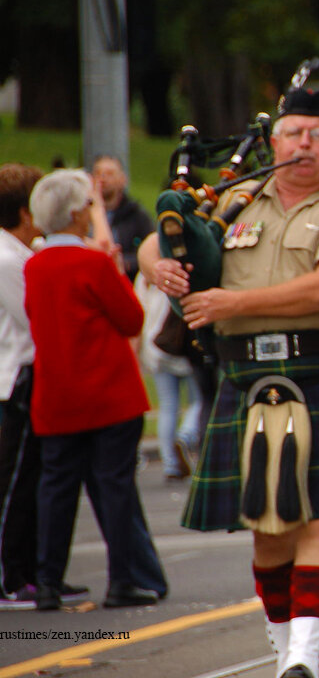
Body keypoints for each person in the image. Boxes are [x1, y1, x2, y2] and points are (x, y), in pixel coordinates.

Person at [143, 88, 319, 678]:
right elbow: (160, 234)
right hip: (246, 375)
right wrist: (153, 261)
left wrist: (235, 300)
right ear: (273, 141)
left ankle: (304, 656)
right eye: (292, 132)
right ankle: (285, 649)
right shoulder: (235, 200)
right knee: (267, 528)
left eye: (316, 135)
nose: (302, 144)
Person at [24, 169, 157, 611]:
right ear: (78, 214)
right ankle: (123, 579)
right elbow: (131, 319)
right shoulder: (94, 262)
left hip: (56, 394)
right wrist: (117, 272)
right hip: (108, 392)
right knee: (114, 487)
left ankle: (47, 581)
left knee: (56, 488)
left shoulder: (34, 266)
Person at [0, 164, 93, 610]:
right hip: (12, 381)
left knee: (33, 480)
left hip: (23, 379)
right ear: (24, 212)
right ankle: (9, 576)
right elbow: (35, 317)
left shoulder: (20, 251)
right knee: (14, 484)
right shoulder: (9, 260)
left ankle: (34, 571)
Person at [135, 273, 202, 481]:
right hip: (180, 348)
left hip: (155, 349)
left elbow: (138, 311)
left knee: (167, 406)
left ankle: (171, 464)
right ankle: (186, 435)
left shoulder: (144, 277)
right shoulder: (176, 274)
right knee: (199, 399)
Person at [90, 155, 155, 282]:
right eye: (98, 173)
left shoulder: (136, 215)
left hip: (124, 280)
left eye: (109, 173)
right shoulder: (82, 214)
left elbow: (149, 250)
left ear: (122, 180)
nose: (102, 178)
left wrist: (125, 263)